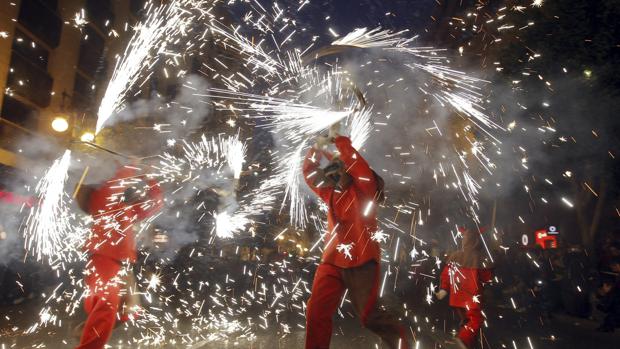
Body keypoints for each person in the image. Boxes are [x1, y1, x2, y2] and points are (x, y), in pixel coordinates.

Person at [302, 126, 408, 349]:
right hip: (332, 261)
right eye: (331, 173)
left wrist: (340, 140)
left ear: (346, 172)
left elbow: (358, 166)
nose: (332, 175)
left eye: (337, 170)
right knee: (315, 313)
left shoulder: (365, 190)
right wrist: (317, 147)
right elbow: (309, 172)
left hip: (361, 262)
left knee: (370, 317)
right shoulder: (330, 194)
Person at [75, 164, 163, 349]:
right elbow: (115, 184)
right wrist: (131, 165)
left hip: (120, 265)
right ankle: (89, 342)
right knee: (106, 306)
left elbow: (155, 205)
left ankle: (88, 329)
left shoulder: (123, 208)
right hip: (103, 260)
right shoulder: (101, 202)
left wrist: (149, 178)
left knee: (129, 310)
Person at [436, 227, 493, 349]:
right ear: (476, 241)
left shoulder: (456, 255)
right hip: (471, 298)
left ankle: (464, 341)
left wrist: (444, 289)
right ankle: (462, 341)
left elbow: (446, 274)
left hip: (457, 298)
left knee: (466, 322)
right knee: (476, 320)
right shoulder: (480, 257)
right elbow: (487, 278)